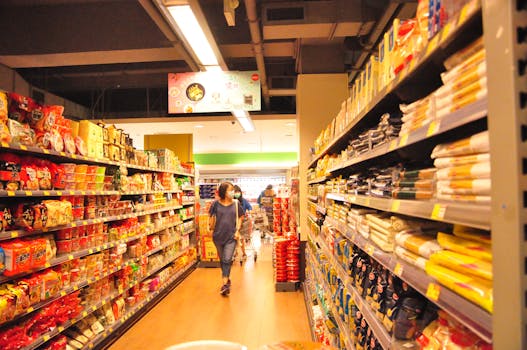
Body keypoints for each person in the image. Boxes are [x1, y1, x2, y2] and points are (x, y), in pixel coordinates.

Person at [208, 181, 243, 296]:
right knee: (223, 260)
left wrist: (237, 230)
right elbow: (211, 218)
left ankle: (224, 285)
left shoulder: (236, 204)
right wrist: (210, 224)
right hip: (218, 236)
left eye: (233, 189)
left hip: (231, 236)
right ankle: (227, 278)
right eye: (230, 190)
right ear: (223, 192)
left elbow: (241, 217)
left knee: (227, 259)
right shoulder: (215, 204)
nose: (232, 192)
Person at [233, 185, 253, 259]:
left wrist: (250, 211)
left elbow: (249, 207)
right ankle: (235, 252)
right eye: (235, 192)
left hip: (243, 221)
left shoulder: (243, 201)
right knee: (234, 238)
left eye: (238, 192)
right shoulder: (231, 201)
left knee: (241, 238)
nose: (237, 194)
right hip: (233, 222)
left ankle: (244, 253)